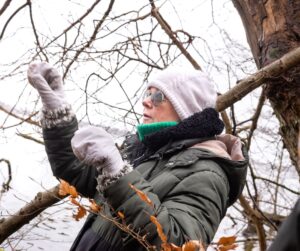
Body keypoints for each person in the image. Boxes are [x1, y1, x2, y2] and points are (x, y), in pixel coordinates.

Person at [27, 62, 248, 251]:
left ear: (186, 109)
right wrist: (57, 110)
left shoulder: (208, 172)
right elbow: (76, 171)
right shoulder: (148, 151)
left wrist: (118, 173)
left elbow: (176, 244)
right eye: (147, 93)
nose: (146, 101)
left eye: (158, 96)